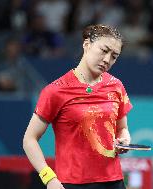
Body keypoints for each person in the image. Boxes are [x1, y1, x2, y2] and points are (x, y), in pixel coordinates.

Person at [22, 24, 133, 189]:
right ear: (87, 45)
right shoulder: (56, 90)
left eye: (114, 56)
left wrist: (124, 140)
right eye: (104, 50)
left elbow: (122, 128)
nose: (107, 60)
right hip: (72, 183)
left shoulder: (116, 86)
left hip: (113, 182)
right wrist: (49, 178)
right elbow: (29, 140)